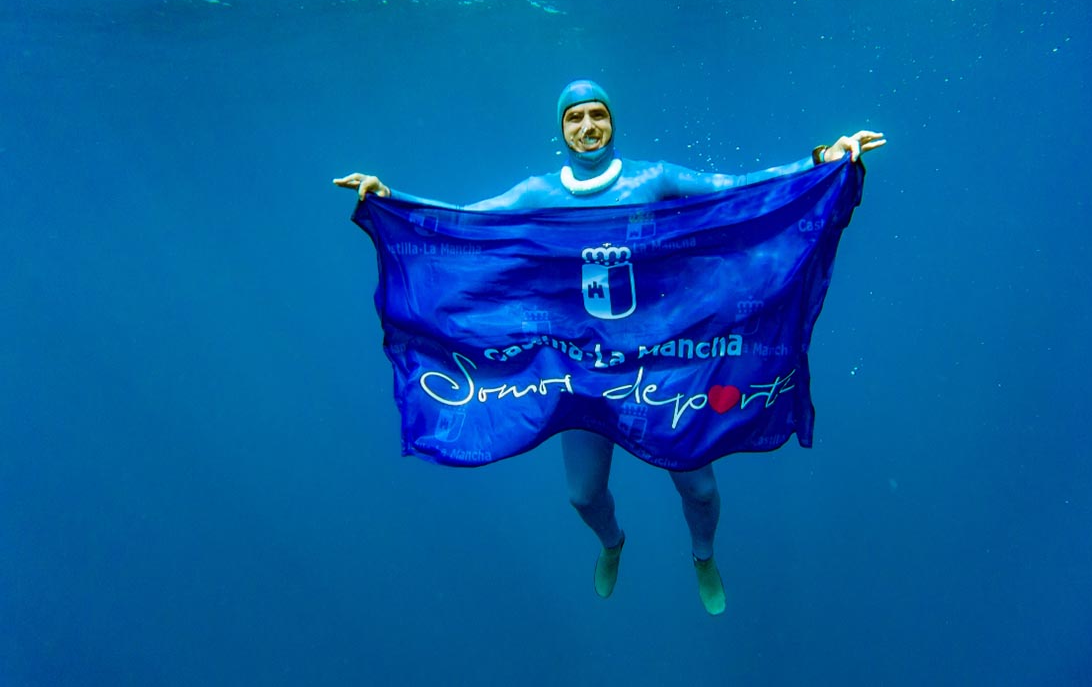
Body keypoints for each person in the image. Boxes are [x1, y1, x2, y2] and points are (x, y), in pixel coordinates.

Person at [336, 80, 885, 615]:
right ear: (561, 130)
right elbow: (465, 221)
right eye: (574, 117)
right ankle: (613, 543)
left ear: (612, 121)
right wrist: (393, 200)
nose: (587, 125)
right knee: (581, 495)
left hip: (666, 361)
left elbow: (738, 190)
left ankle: (704, 556)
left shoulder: (655, 177)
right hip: (580, 368)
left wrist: (819, 161)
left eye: (596, 113)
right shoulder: (538, 194)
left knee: (698, 487)